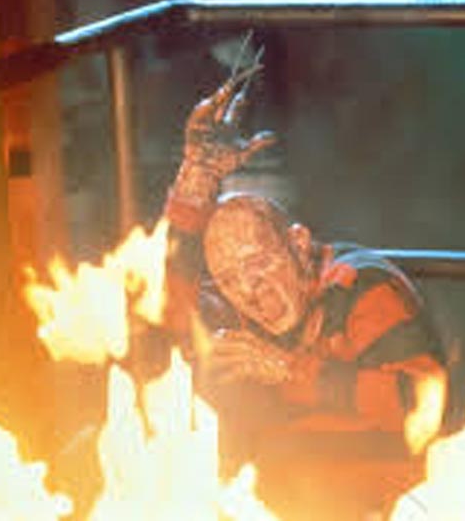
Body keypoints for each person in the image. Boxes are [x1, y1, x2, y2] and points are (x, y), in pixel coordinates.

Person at [162, 70, 447, 436]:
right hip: (274, 469)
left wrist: (290, 370)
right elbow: (161, 310)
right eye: (230, 279)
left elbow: (423, 401)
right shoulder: (238, 308)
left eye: (258, 264)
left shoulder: (359, 286)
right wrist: (197, 178)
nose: (251, 291)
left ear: (298, 244)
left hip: (378, 470)